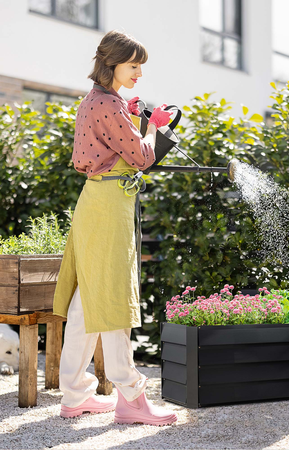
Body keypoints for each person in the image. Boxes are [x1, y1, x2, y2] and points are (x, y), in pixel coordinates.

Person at [52, 29, 177, 426]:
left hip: (94, 200)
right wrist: (155, 126)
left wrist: (136, 116)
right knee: (113, 301)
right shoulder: (110, 104)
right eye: (134, 66)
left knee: (86, 304)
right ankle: (131, 399)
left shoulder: (96, 101)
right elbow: (141, 157)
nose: (139, 73)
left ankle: (75, 396)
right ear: (113, 64)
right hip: (109, 207)